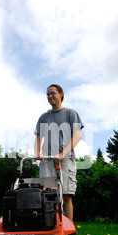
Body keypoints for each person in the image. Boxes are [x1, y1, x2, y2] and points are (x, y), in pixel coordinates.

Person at [34, 84, 84, 221]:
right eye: (48, 95)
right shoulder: (44, 117)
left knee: (67, 195)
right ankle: (51, 228)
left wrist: (62, 154)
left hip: (66, 158)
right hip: (48, 160)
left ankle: (68, 233)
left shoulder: (70, 113)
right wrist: (37, 152)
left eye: (53, 93)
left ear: (61, 94)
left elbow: (77, 135)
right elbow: (38, 137)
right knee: (48, 195)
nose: (50, 96)